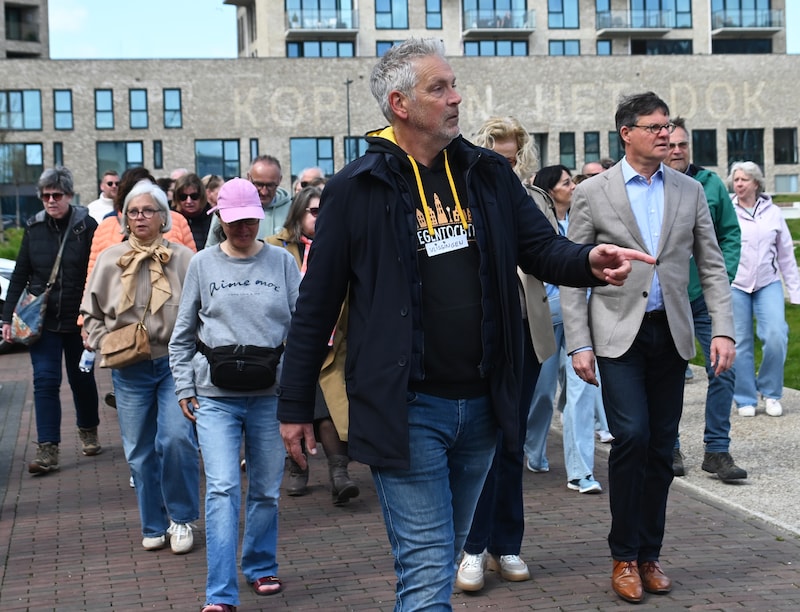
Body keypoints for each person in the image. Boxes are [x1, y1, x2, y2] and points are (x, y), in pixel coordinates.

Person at [276, 38, 652, 610]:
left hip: (483, 404)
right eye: (440, 88)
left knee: (443, 552)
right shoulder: (356, 188)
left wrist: (587, 262)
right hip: (407, 408)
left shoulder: (486, 172)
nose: (456, 98)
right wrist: (294, 404)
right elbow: (316, 304)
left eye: (454, 85)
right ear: (400, 104)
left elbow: (540, 248)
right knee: (428, 566)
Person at [561, 91, 736, 604]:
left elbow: (711, 264)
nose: (665, 135)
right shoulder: (593, 192)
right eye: (654, 127)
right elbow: (572, 273)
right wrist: (579, 343)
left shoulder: (689, 189)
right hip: (617, 335)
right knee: (632, 436)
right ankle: (623, 556)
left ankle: (649, 555)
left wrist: (723, 329)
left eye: (667, 127)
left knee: (661, 447)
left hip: (671, 333)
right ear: (627, 134)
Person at [169, 178, 300, 611]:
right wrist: (184, 385)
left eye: (250, 220)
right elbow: (182, 335)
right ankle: (220, 593)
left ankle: (260, 564)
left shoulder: (282, 261)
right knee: (222, 488)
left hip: (270, 394)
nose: (243, 228)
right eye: (234, 221)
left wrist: (297, 390)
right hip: (215, 396)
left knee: (265, 490)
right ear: (219, 219)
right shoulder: (203, 264)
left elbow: (303, 329)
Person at [455, 116, 555, 591]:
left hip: (528, 331)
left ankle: (506, 544)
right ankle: (472, 546)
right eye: (497, 154)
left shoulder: (534, 199)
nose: (505, 164)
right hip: (482, 333)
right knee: (482, 444)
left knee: (512, 441)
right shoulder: (462, 195)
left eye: (512, 157)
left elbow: (549, 252)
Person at [81, 180, 199, 554]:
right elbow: (90, 313)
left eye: (148, 210)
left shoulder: (183, 258)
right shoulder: (110, 258)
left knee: (176, 439)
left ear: (164, 217)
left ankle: (181, 518)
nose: (140, 217)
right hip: (128, 367)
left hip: (173, 364)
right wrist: (105, 341)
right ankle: (153, 523)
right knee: (139, 451)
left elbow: (203, 310)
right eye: (133, 211)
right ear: (125, 218)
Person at [1, 166, 100, 473]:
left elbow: (98, 272)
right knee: (45, 381)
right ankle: (48, 449)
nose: (51, 201)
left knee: (81, 378)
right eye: (46, 196)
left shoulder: (87, 226)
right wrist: (7, 318)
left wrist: (94, 315)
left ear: (69, 195)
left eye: (57, 195)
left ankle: (88, 428)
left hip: (79, 320)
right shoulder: (34, 228)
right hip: (42, 322)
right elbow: (20, 275)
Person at [666, 117, 747, 482]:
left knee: (724, 368)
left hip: (704, 297)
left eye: (683, 144)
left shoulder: (710, 184)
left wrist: (723, 277)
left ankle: (717, 449)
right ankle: (669, 445)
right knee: (667, 374)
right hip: (667, 298)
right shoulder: (654, 187)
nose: (677, 150)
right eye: (671, 145)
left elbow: (730, 234)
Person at [266, 186, 359, 503]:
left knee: (330, 406)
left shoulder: (341, 246)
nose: (322, 218)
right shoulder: (275, 249)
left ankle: (337, 473)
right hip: (287, 344)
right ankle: (302, 468)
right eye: (315, 212)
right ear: (298, 214)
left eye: (326, 212)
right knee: (302, 401)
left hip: (333, 343)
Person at [525, 164, 607, 497]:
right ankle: (533, 448)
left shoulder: (582, 220)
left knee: (581, 391)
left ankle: (580, 471)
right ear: (550, 191)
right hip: (546, 318)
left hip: (580, 319)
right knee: (542, 392)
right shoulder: (538, 225)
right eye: (566, 182)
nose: (573, 186)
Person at [729, 161, 800, 418]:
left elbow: (786, 255)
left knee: (776, 335)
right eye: (736, 179)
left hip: (767, 283)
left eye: (744, 179)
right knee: (739, 342)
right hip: (736, 284)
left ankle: (771, 392)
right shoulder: (728, 210)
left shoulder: (773, 213)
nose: (738, 184)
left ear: (756, 183)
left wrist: (795, 291)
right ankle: (745, 398)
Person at [207, 155, 292, 246]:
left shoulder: (292, 210)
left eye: (270, 185)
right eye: (259, 184)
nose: (264, 192)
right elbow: (211, 248)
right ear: (249, 177)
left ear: (279, 180)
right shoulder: (229, 207)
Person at [174, 173, 212, 250]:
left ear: (202, 196)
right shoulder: (171, 220)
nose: (189, 201)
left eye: (194, 196)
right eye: (183, 197)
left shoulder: (213, 219)